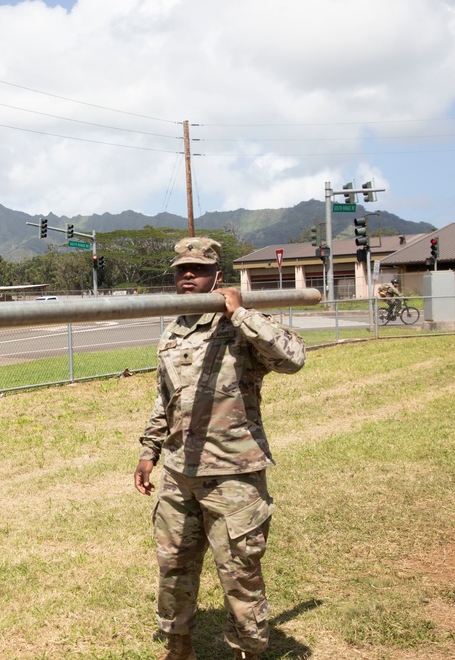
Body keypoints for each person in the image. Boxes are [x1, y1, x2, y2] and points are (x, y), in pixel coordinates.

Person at [133, 237, 306, 660]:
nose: (187, 275)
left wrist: (241, 312)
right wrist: (149, 451)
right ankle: (179, 649)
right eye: (180, 269)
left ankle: (248, 652)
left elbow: (293, 358)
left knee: (240, 576)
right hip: (179, 473)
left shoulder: (241, 324)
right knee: (173, 569)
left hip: (233, 474)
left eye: (197, 268)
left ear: (217, 276)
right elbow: (166, 399)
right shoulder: (172, 332)